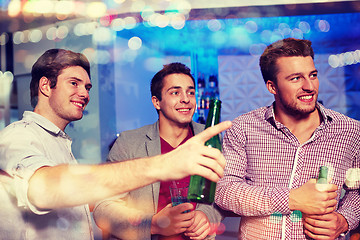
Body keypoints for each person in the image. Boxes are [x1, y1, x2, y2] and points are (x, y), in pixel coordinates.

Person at [0, 49, 231, 239]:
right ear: (45, 86)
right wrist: (164, 167)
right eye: (74, 83)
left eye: (87, 87)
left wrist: (207, 215)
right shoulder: (17, 137)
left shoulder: (59, 142)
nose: (84, 93)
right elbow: (43, 189)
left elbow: (224, 193)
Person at [215, 38, 360, 239]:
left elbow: (357, 191)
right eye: (295, 78)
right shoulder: (243, 128)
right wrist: (292, 199)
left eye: (313, 75)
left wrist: (345, 220)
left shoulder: (351, 131)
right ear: (272, 87)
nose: (309, 86)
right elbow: (224, 191)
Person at [93, 62, 222, 240]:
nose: (186, 99)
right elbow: (103, 207)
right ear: (157, 102)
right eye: (175, 92)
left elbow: (222, 195)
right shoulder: (129, 143)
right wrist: (152, 224)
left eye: (190, 92)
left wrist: (207, 215)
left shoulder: (210, 138)